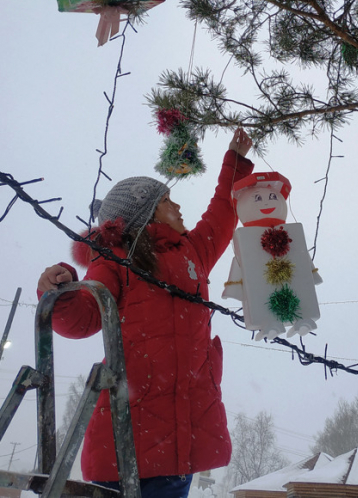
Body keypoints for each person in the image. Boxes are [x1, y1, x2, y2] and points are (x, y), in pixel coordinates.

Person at [37, 128, 254, 498]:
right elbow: (82, 320)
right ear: (144, 213)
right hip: (125, 445)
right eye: (168, 200)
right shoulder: (117, 261)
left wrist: (234, 161)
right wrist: (59, 290)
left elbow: (222, 210)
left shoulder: (194, 252)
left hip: (183, 446)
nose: (179, 207)